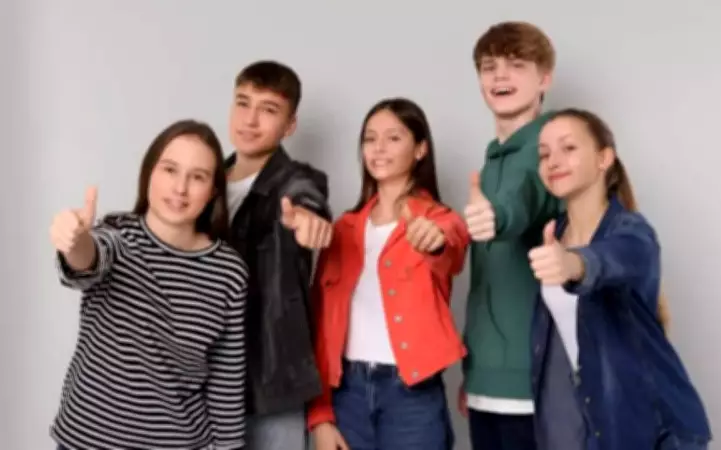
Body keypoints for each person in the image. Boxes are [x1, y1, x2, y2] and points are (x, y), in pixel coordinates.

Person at [49, 120, 249, 450]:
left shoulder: (229, 272)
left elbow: (225, 381)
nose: (180, 188)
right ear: (150, 173)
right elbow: (88, 259)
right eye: (170, 170)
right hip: (86, 441)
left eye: (197, 177)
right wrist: (74, 242)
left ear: (213, 190)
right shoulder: (117, 236)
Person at [528, 108, 710, 450]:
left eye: (569, 148)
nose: (553, 161)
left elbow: (609, 259)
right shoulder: (555, 235)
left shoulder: (632, 231)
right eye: (544, 154)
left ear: (604, 158)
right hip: (595, 424)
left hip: (655, 430)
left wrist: (574, 264)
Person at [308, 98, 470, 450]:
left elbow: (452, 246)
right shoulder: (342, 230)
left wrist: (434, 240)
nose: (378, 148)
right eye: (370, 138)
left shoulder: (439, 220)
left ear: (420, 149)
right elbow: (321, 326)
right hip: (346, 395)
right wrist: (320, 415)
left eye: (393, 138)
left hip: (411, 397)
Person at [460, 21, 560, 450]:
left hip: (537, 384)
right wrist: (475, 374)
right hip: (486, 383)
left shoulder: (552, 150)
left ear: (544, 79)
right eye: (489, 67)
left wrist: (497, 218)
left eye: (516, 64)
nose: (500, 75)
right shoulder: (492, 161)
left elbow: (524, 198)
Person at [223, 60, 334, 450]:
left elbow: (308, 199)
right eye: (243, 103)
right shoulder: (202, 183)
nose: (250, 119)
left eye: (268, 109)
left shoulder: (298, 181)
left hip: (273, 387)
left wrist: (308, 219)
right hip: (207, 384)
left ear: (290, 125)